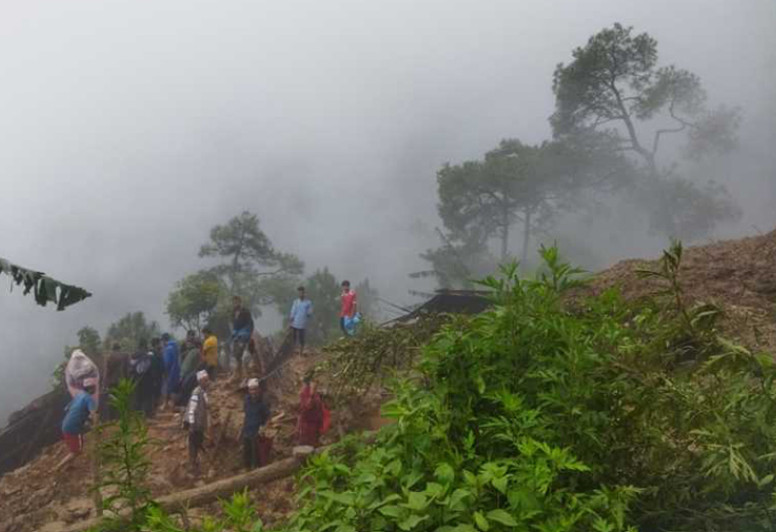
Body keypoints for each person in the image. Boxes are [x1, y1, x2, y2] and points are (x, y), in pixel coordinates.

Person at [56, 377, 98, 471]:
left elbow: (66, 408)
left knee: (74, 447)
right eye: (94, 387)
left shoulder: (79, 395)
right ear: (91, 388)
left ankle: (68, 466)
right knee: (77, 452)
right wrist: (96, 426)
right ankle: (58, 467)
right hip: (73, 428)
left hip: (65, 424)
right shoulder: (89, 399)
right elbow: (93, 414)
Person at [183, 370, 210, 476]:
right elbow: (191, 410)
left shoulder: (203, 392)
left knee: (198, 442)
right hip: (195, 425)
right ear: (200, 381)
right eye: (205, 380)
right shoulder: (196, 393)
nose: (207, 382)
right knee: (194, 444)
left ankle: (195, 464)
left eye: (207, 380)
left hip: (200, 424)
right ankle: (192, 464)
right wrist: (192, 425)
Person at [242, 378, 270, 470]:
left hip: (256, 434)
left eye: (255, 389)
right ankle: (247, 471)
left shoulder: (262, 403)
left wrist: (263, 428)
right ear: (249, 390)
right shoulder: (247, 400)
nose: (253, 392)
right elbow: (246, 415)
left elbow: (268, 418)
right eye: (251, 389)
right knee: (247, 454)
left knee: (256, 456)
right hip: (247, 432)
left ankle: (257, 473)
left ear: (259, 390)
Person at [297, 372, 328, 447]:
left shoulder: (314, 393)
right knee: (308, 446)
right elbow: (308, 406)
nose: (317, 382)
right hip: (308, 426)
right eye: (315, 381)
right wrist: (312, 393)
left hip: (315, 424)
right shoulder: (305, 392)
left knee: (314, 444)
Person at [128, 339, 155, 417]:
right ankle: (147, 414)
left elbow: (131, 366)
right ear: (145, 345)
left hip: (136, 379)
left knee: (137, 396)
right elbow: (149, 367)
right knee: (146, 397)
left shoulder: (134, 355)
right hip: (146, 379)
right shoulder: (148, 355)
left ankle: (137, 414)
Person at [231, 296, 254, 379]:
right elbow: (234, 325)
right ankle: (238, 373)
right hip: (236, 335)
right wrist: (234, 332)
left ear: (240, 302)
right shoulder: (233, 312)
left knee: (244, 355)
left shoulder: (246, 311)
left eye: (236, 302)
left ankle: (246, 375)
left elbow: (249, 323)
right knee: (235, 354)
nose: (235, 304)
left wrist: (244, 333)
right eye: (234, 302)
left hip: (244, 334)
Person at [289, 286, 313, 356]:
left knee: (301, 338)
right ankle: (292, 351)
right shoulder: (295, 302)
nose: (300, 294)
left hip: (302, 323)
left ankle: (301, 352)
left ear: (304, 293)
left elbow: (309, 313)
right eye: (299, 293)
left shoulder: (308, 303)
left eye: (302, 293)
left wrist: (308, 314)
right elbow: (292, 312)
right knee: (294, 338)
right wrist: (291, 320)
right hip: (295, 323)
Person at [161, 333, 181, 410]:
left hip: (170, 372)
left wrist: (164, 371)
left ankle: (167, 405)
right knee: (174, 388)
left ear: (164, 340)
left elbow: (167, 362)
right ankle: (171, 404)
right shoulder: (175, 346)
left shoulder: (168, 348)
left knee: (168, 388)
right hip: (176, 371)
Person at [149, 337, 165, 412]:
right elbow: (160, 366)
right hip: (156, 377)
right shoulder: (156, 354)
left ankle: (154, 410)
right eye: (159, 343)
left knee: (155, 394)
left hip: (154, 377)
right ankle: (153, 411)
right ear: (156, 344)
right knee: (156, 394)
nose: (161, 345)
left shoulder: (151, 353)